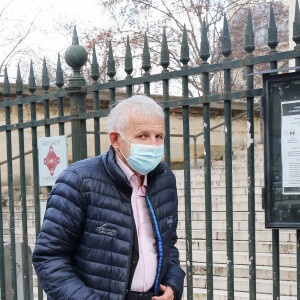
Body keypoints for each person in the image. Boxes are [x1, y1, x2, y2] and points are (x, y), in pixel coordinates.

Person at [32, 95, 185, 300]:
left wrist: (173, 283)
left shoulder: (164, 179)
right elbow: (49, 258)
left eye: (159, 136)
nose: (153, 145)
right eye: (142, 136)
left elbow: (168, 244)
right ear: (115, 139)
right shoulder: (78, 180)